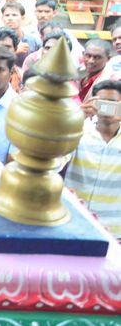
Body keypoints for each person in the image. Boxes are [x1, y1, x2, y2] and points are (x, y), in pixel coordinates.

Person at [65, 80, 121, 238]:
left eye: (113, 104)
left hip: (114, 230)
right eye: (102, 103)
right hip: (74, 221)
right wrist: (76, 120)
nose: (107, 109)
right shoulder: (79, 132)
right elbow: (54, 161)